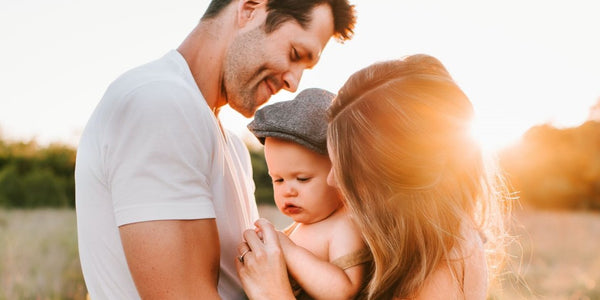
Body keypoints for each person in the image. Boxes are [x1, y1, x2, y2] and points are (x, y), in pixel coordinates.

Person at [75, 0, 356, 298]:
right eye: (295, 54)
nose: (293, 82)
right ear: (250, 8)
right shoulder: (159, 105)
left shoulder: (232, 145)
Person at [236, 54, 510, 299]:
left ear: (396, 176)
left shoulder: (443, 264)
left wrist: (272, 293)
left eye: (348, 170)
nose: (333, 180)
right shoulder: (417, 247)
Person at [246, 88, 371, 299]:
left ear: (339, 175)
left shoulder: (344, 224)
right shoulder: (304, 224)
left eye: (302, 179)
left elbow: (344, 289)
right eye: (278, 179)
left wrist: (287, 249)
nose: (288, 190)